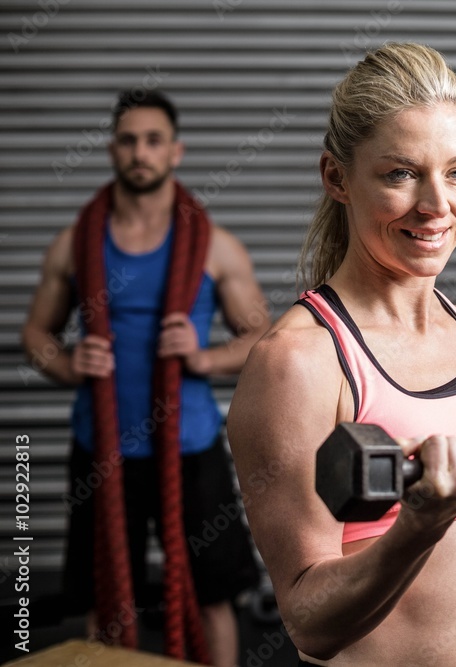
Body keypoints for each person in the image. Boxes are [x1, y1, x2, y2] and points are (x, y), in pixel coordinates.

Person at [226, 43, 456, 666]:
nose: (437, 206)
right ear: (336, 177)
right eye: (401, 173)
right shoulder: (299, 363)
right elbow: (309, 623)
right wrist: (419, 526)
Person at [21, 89, 270, 666]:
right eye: (129, 140)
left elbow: (263, 336)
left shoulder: (214, 247)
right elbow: (35, 335)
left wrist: (204, 357)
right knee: (109, 599)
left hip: (190, 448)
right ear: (112, 149)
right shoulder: (75, 245)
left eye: (153, 140)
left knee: (213, 595)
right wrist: (66, 362)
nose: (140, 152)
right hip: (101, 450)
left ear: (175, 152)